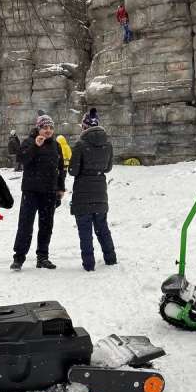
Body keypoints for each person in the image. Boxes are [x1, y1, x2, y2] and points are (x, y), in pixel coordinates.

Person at [11, 114, 65, 270]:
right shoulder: (29, 142)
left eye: (50, 128)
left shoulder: (56, 145)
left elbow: (60, 168)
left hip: (49, 191)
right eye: (45, 128)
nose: (48, 131)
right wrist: (35, 146)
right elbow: (21, 159)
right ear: (38, 128)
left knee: (46, 225)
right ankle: (19, 258)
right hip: (31, 191)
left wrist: (60, 188)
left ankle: (42, 257)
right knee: (25, 225)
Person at [69, 108, 117, 271]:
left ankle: (89, 264)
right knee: (102, 227)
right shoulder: (108, 144)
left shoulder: (80, 145)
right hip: (100, 191)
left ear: (84, 127)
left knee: (85, 230)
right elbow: (108, 168)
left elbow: (73, 171)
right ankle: (111, 259)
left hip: (82, 192)